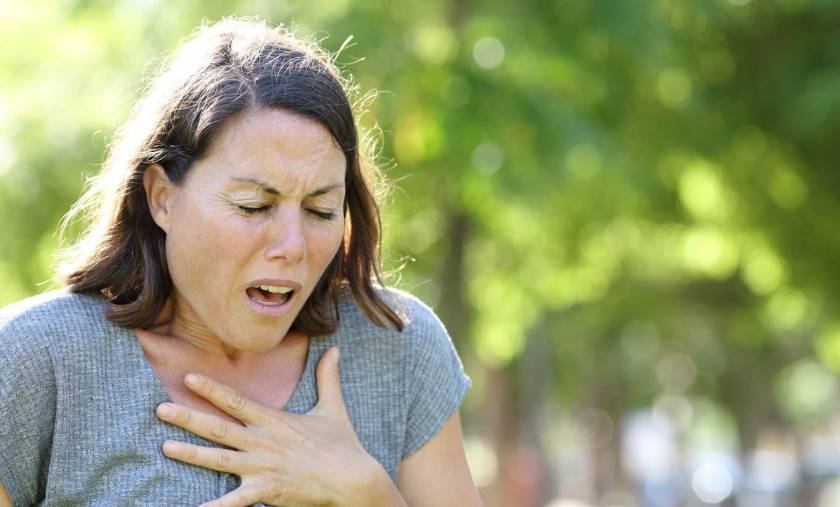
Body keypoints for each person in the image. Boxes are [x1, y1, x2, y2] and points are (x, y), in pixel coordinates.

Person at [0, 17, 480, 506]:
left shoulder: (398, 346)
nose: (293, 244)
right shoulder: (34, 359)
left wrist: (369, 494)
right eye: (254, 205)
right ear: (162, 198)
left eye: (320, 210)